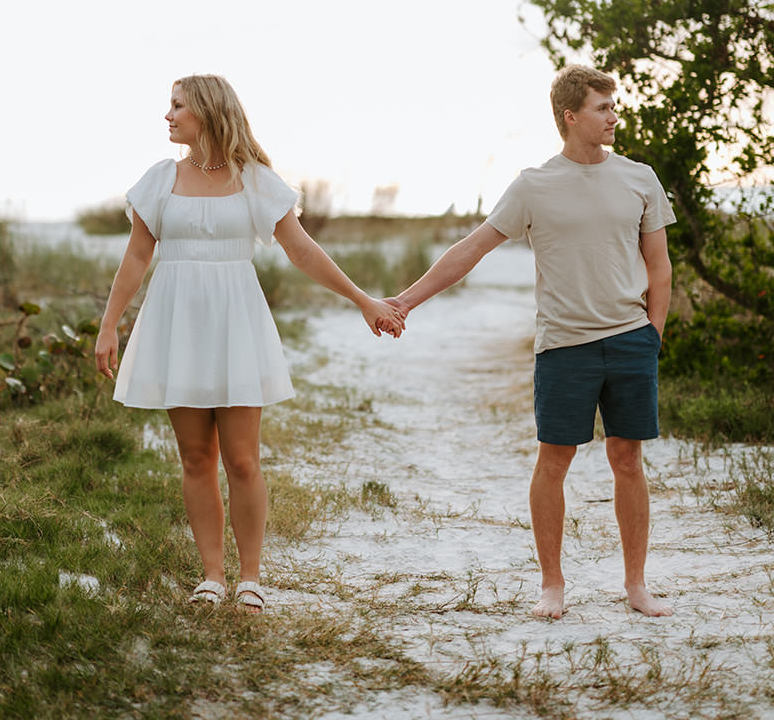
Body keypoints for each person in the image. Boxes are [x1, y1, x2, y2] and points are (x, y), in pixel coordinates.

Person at [95, 74, 403, 614]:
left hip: (236, 324)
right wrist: (108, 325)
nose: (167, 116)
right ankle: (212, 575)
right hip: (177, 324)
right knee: (194, 457)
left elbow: (302, 250)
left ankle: (251, 578)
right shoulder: (159, 180)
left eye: (177, 106)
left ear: (208, 112)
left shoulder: (255, 180)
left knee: (241, 460)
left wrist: (362, 299)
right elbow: (137, 257)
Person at [384, 65, 675, 620]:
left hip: (630, 342)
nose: (614, 116)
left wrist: (651, 336)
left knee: (628, 460)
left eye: (614, 106)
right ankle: (552, 586)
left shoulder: (640, 178)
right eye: (602, 108)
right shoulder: (533, 185)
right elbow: (469, 252)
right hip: (564, 347)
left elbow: (659, 268)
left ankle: (636, 586)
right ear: (571, 116)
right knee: (554, 460)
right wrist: (404, 301)